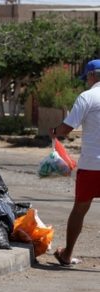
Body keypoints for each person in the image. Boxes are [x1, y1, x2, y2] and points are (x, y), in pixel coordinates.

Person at [49, 59, 100, 266]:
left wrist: (54, 132)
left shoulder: (88, 97)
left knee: (80, 209)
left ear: (91, 76)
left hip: (91, 165)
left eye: (86, 77)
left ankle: (67, 254)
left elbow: (66, 128)